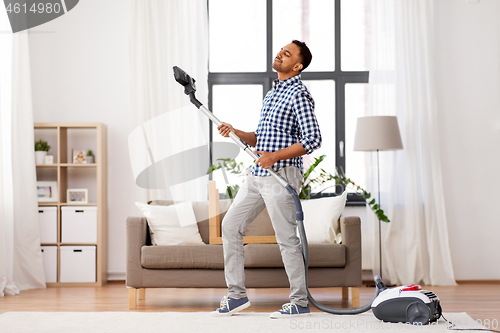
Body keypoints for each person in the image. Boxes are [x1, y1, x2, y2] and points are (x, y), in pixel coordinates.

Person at [210, 40, 322, 319]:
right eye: (280, 50)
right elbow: (260, 139)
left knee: (286, 240)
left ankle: (299, 302)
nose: (280, 54)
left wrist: (274, 157)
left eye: (287, 54)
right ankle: (236, 296)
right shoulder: (273, 93)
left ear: (297, 66)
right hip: (258, 174)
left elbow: (313, 139)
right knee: (230, 225)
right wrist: (235, 131)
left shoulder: (298, 93)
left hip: (282, 174)